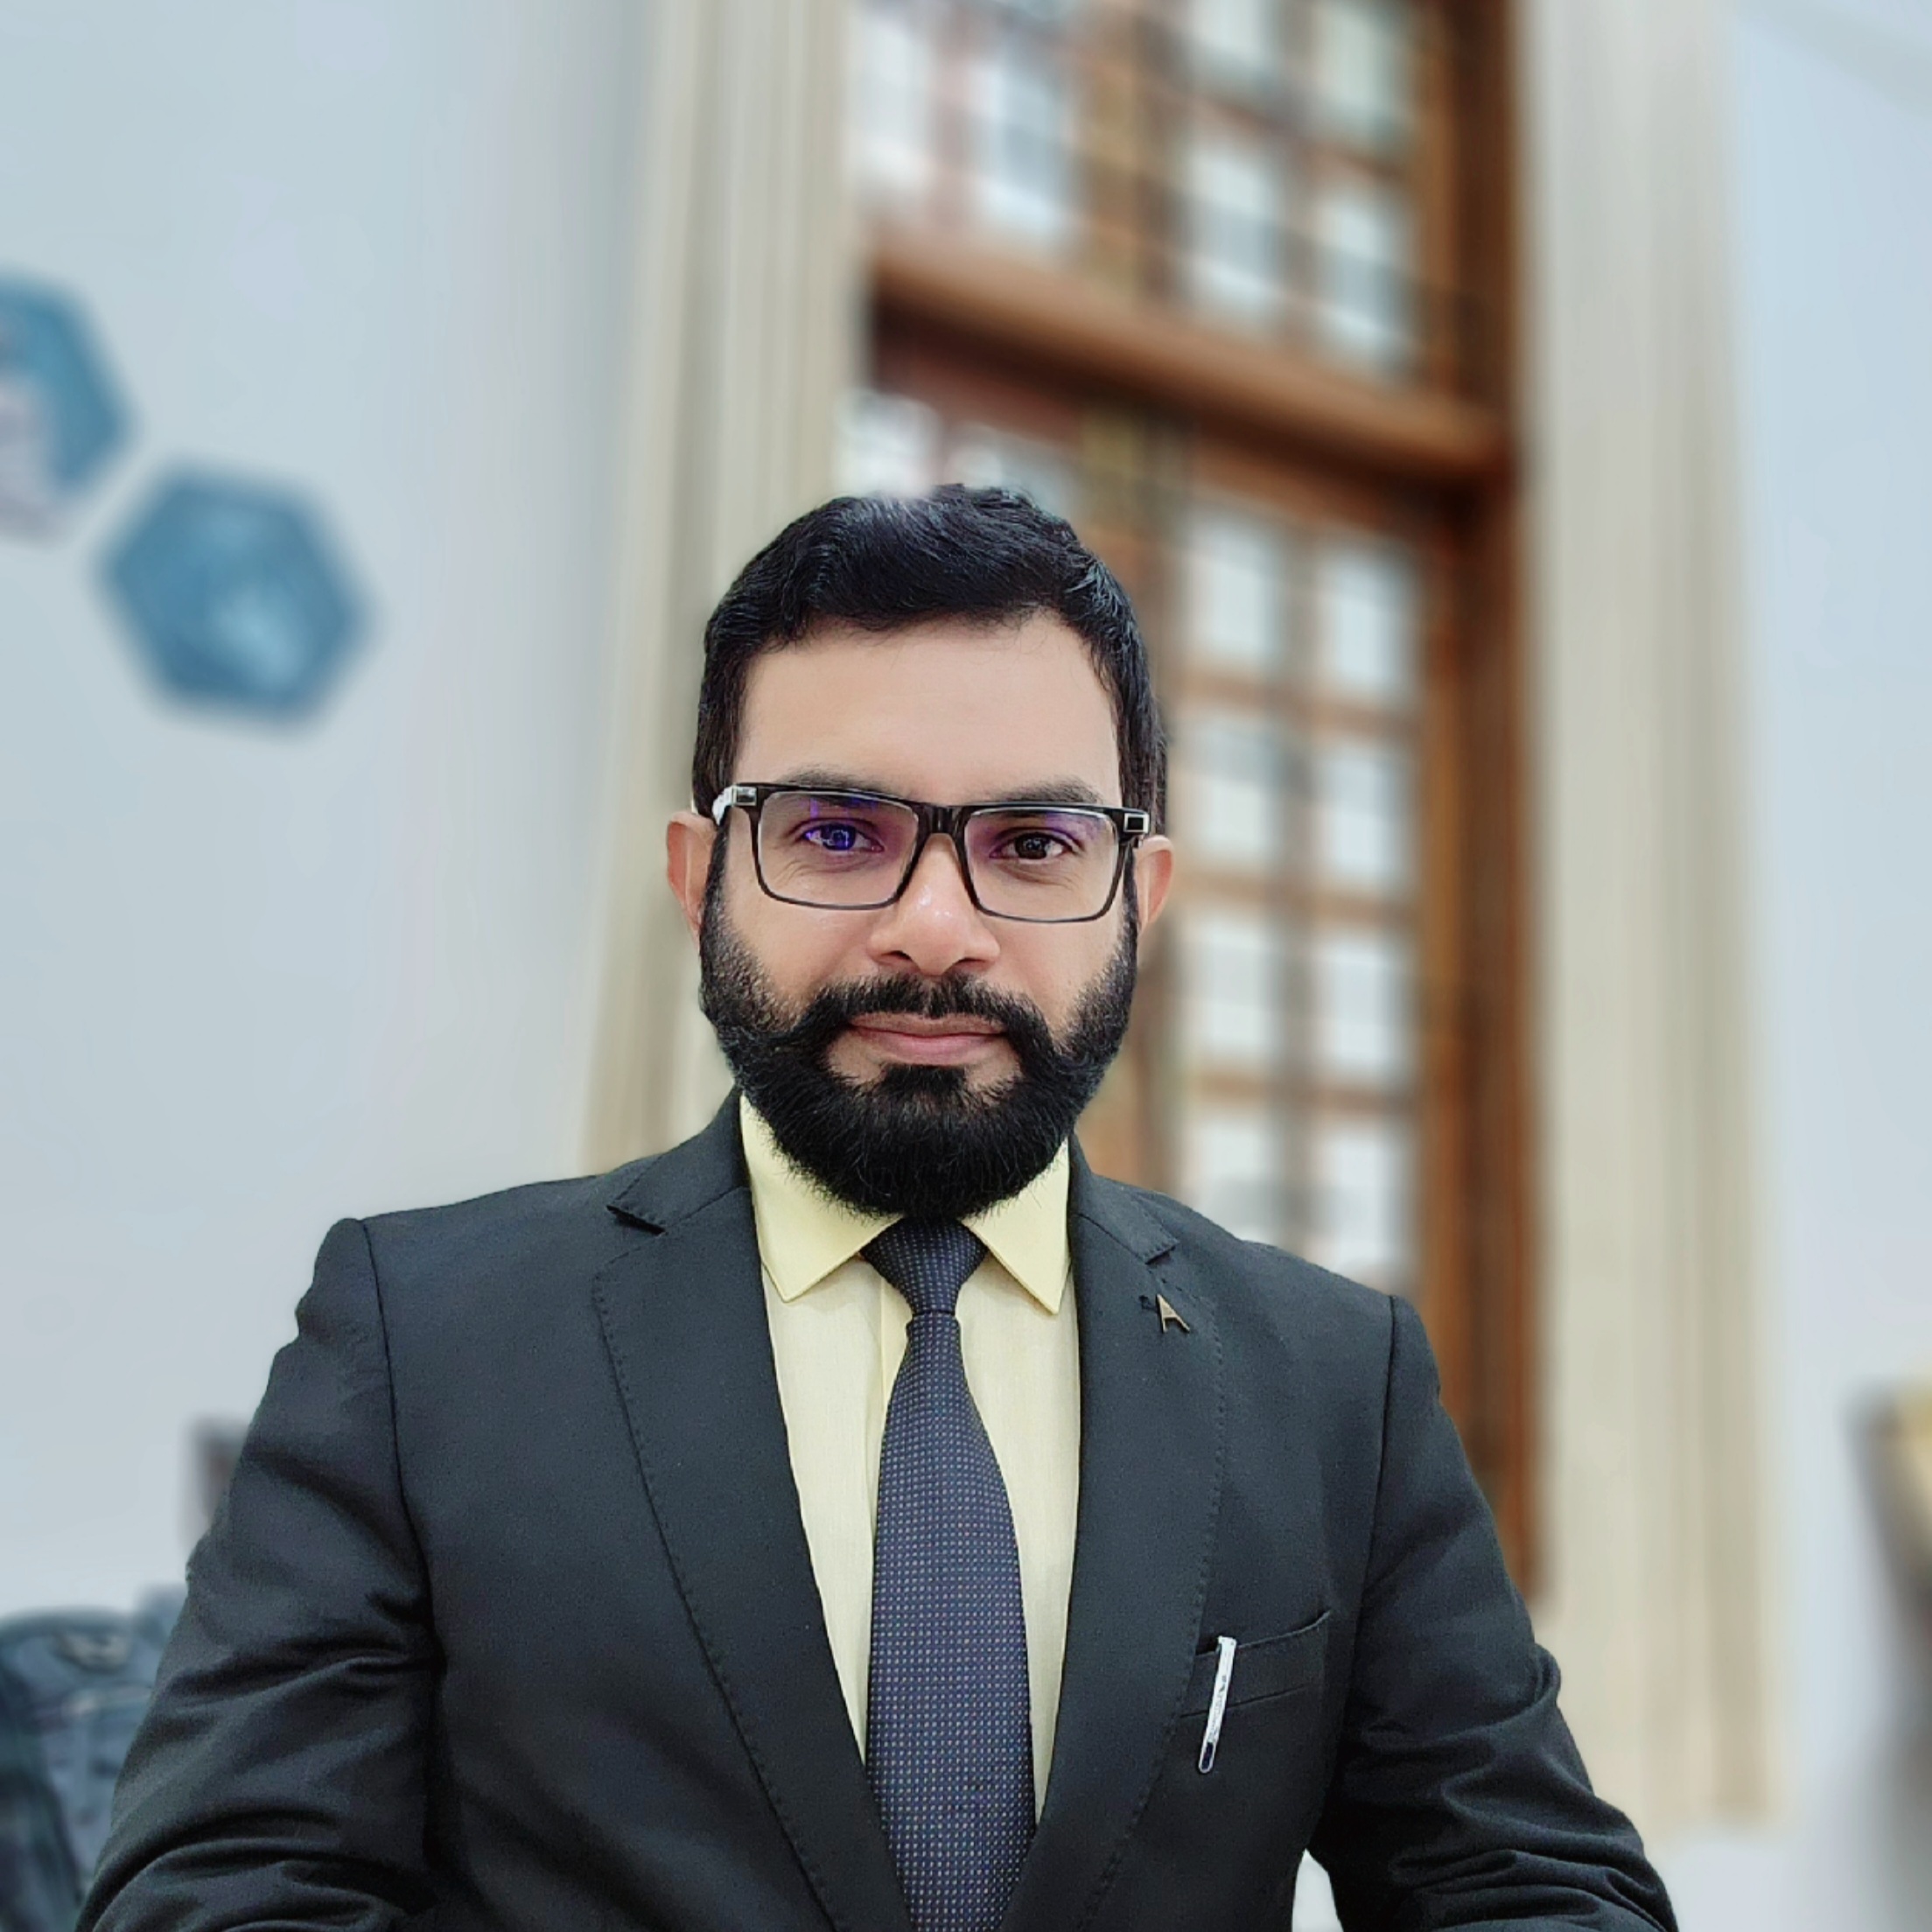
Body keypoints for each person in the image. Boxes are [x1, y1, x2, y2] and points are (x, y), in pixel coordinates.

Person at [83, 489, 1676, 1932]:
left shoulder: (1337, 1382)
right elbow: (221, 1893)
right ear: (700, 880)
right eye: (838, 834)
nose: (934, 928)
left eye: (1034, 844)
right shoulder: (419, 1340)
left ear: (1139, 899)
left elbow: (1529, 1885)